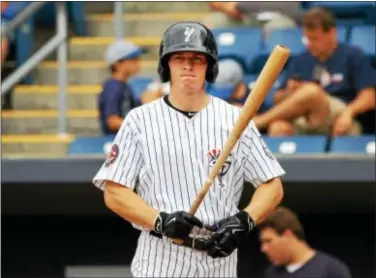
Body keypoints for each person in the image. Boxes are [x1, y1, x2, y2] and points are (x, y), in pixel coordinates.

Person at [92, 21, 285, 277]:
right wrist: (160, 221)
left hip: (219, 261)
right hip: (160, 259)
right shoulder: (140, 120)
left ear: (210, 65)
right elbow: (114, 192)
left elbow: (272, 186)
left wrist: (245, 219)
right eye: (179, 57)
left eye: (197, 58)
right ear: (166, 65)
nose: (188, 64)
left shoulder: (234, 120)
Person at [252, 7, 376, 137]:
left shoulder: (352, 55)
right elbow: (278, 98)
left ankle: (259, 122)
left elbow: (369, 97)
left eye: (315, 39)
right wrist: (290, 92)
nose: (310, 44)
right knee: (278, 128)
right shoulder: (301, 60)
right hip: (305, 116)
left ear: (332, 33)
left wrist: (348, 113)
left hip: (338, 113)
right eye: (307, 39)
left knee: (312, 91)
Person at [258, 207, 352, 278]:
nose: (263, 248)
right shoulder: (272, 273)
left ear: (288, 235)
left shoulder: (331, 269)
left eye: (268, 241)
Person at [98, 40, 146, 135]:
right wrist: (141, 129)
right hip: (115, 142)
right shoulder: (113, 87)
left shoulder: (125, 86)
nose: (138, 63)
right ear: (118, 64)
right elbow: (112, 121)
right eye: (133, 59)